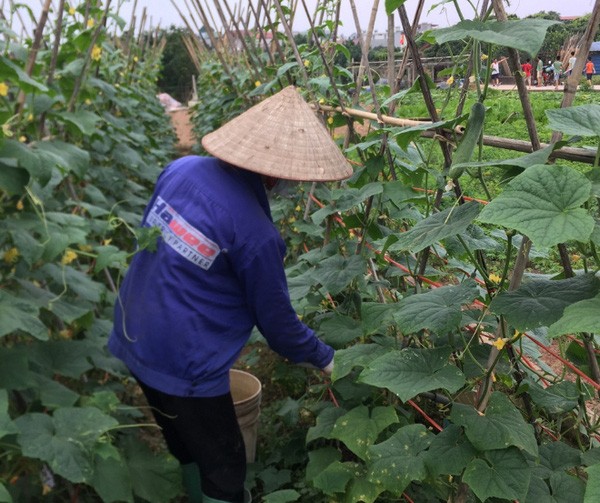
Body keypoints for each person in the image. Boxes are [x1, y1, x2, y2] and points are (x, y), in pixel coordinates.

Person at [108, 86, 352, 503]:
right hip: (186, 363)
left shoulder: (179, 170)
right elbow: (278, 326)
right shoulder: (256, 235)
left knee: (182, 440)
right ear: (276, 176)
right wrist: (329, 359)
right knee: (225, 467)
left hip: (135, 329)